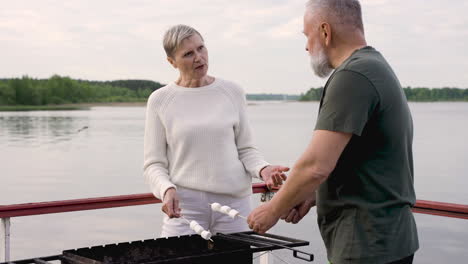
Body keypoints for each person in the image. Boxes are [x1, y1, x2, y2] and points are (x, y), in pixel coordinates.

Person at [247, 1, 419, 263]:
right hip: (388, 241)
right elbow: (363, 161)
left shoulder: (353, 75)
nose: (306, 46)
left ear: (325, 32)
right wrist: (313, 196)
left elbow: (316, 165)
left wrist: (272, 208)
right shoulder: (375, 67)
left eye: (307, 35)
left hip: (366, 245)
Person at [143, 24, 289, 237]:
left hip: (234, 205)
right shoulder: (160, 100)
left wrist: (263, 170)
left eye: (201, 48)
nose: (199, 57)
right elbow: (153, 163)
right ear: (171, 62)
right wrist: (166, 189)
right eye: (188, 54)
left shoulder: (232, 92)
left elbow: (246, 149)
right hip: (184, 208)